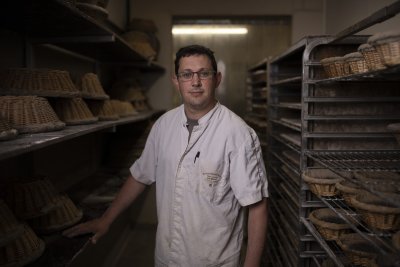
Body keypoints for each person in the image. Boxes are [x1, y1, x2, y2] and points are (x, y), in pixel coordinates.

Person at [63, 44, 269, 267]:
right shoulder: (163, 126)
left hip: (214, 261)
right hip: (167, 258)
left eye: (204, 74)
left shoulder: (238, 134)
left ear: (217, 79)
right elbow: (140, 175)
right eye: (187, 74)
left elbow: (257, 206)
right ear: (176, 81)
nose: (196, 82)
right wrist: (107, 220)